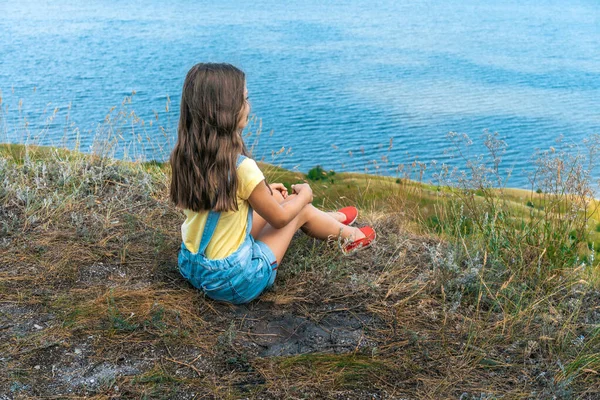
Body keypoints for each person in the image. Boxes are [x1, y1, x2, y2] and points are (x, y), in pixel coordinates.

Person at [169, 63, 376, 304]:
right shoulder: (241, 167)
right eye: (244, 100)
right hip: (234, 280)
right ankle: (352, 236)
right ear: (223, 111)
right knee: (301, 209)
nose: (249, 106)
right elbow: (278, 218)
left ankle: (331, 219)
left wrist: (267, 194)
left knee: (277, 198)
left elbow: (229, 201)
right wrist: (304, 196)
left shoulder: (184, 156)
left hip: (193, 266)